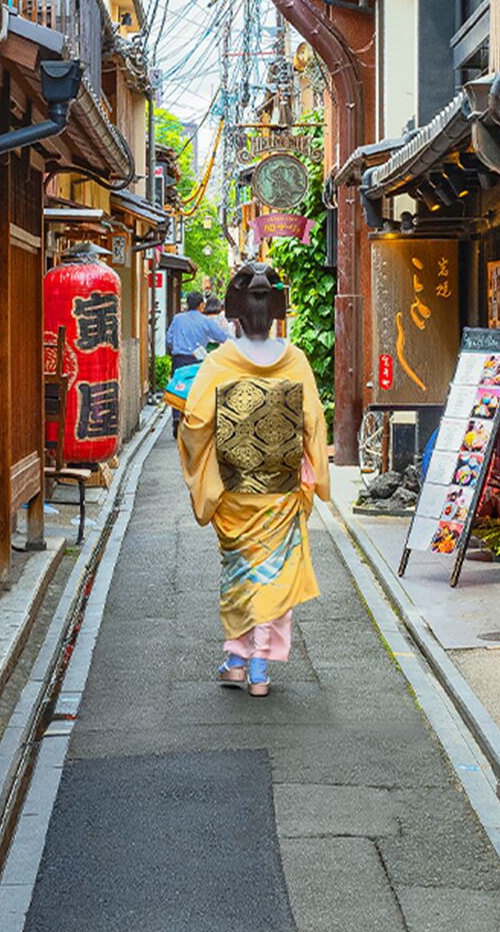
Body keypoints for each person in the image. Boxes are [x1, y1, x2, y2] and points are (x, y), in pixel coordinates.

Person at [177, 263, 330, 698]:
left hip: (233, 490)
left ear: (235, 314)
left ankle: (237, 660)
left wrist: (205, 467)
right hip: (280, 493)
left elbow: (196, 423)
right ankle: (261, 665)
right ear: (277, 311)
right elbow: (313, 423)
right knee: (275, 574)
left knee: (240, 572)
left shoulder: (220, 362)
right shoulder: (295, 359)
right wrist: (313, 474)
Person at [165, 289, 229, 373]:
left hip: (179, 361)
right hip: (197, 361)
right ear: (201, 305)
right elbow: (222, 337)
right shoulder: (205, 320)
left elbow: (169, 339)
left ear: (187, 304)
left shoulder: (178, 318)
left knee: (178, 385)